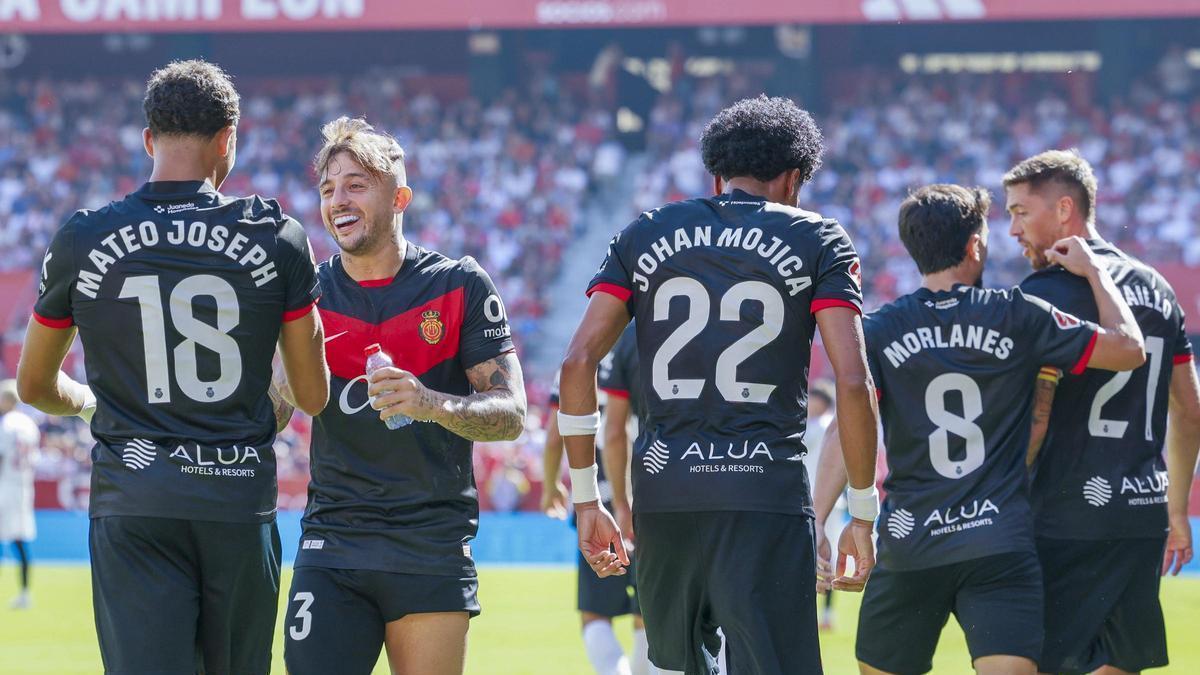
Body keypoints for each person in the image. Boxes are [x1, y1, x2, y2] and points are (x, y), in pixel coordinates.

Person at [15, 59, 329, 674]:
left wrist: (86, 401)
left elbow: (33, 384)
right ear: (228, 139)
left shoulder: (84, 237)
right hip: (238, 501)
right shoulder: (278, 238)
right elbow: (313, 394)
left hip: (133, 501)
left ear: (147, 139)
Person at [558, 95, 880, 675]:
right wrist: (861, 509)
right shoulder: (819, 238)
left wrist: (588, 498)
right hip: (764, 492)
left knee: (679, 667)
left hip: (665, 490)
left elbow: (578, 361)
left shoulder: (646, 230)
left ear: (717, 173)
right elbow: (853, 384)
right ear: (793, 177)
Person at [813, 184, 1145, 675]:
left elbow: (846, 428)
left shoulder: (879, 330)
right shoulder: (1018, 314)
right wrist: (1095, 270)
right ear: (974, 245)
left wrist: (818, 519)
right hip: (999, 540)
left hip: (910, 540)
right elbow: (1128, 349)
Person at [280, 117, 526, 675]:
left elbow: (511, 414)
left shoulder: (458, 284)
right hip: (334, 540)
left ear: (400, 197)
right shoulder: (306, 297)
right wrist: (275, 373)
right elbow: (269, 417)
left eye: (356, 185)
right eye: (327, 188)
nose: (337, 199)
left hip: (431, 542)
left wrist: (428, 403)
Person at [1005, 150, 1200, 675]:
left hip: (1062, 515)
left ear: (1064, 209)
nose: (1012, 229)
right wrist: (1176, 511)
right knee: (1117, 664)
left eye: (1021, 212)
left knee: (1041, 661)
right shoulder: (1159, 288)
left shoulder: (1044, 292)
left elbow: (1034, 418)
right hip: (1141, 512)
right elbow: (1190, 412)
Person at [542, 326, 651, 675]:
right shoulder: (648, 349)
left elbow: (554, 434)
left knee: (594, 613)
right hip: (647, 499)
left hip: (594, 500)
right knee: (647, 611)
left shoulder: (578, 360)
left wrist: (549, 486)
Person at [801, 379, 838, 630]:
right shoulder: (819, 425)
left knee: (823, 556)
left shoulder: (822, 426)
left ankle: (825, 613)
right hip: (812, 499)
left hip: (824, 501)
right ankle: (820, 613)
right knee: (820, 557)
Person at [0, 380, 39, 609]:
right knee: (19, 540)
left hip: (5, 484)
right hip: (24, 486)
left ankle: (24, 594)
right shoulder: (29, 424)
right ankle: (25, 593)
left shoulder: (7, 424)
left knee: (15, 540)